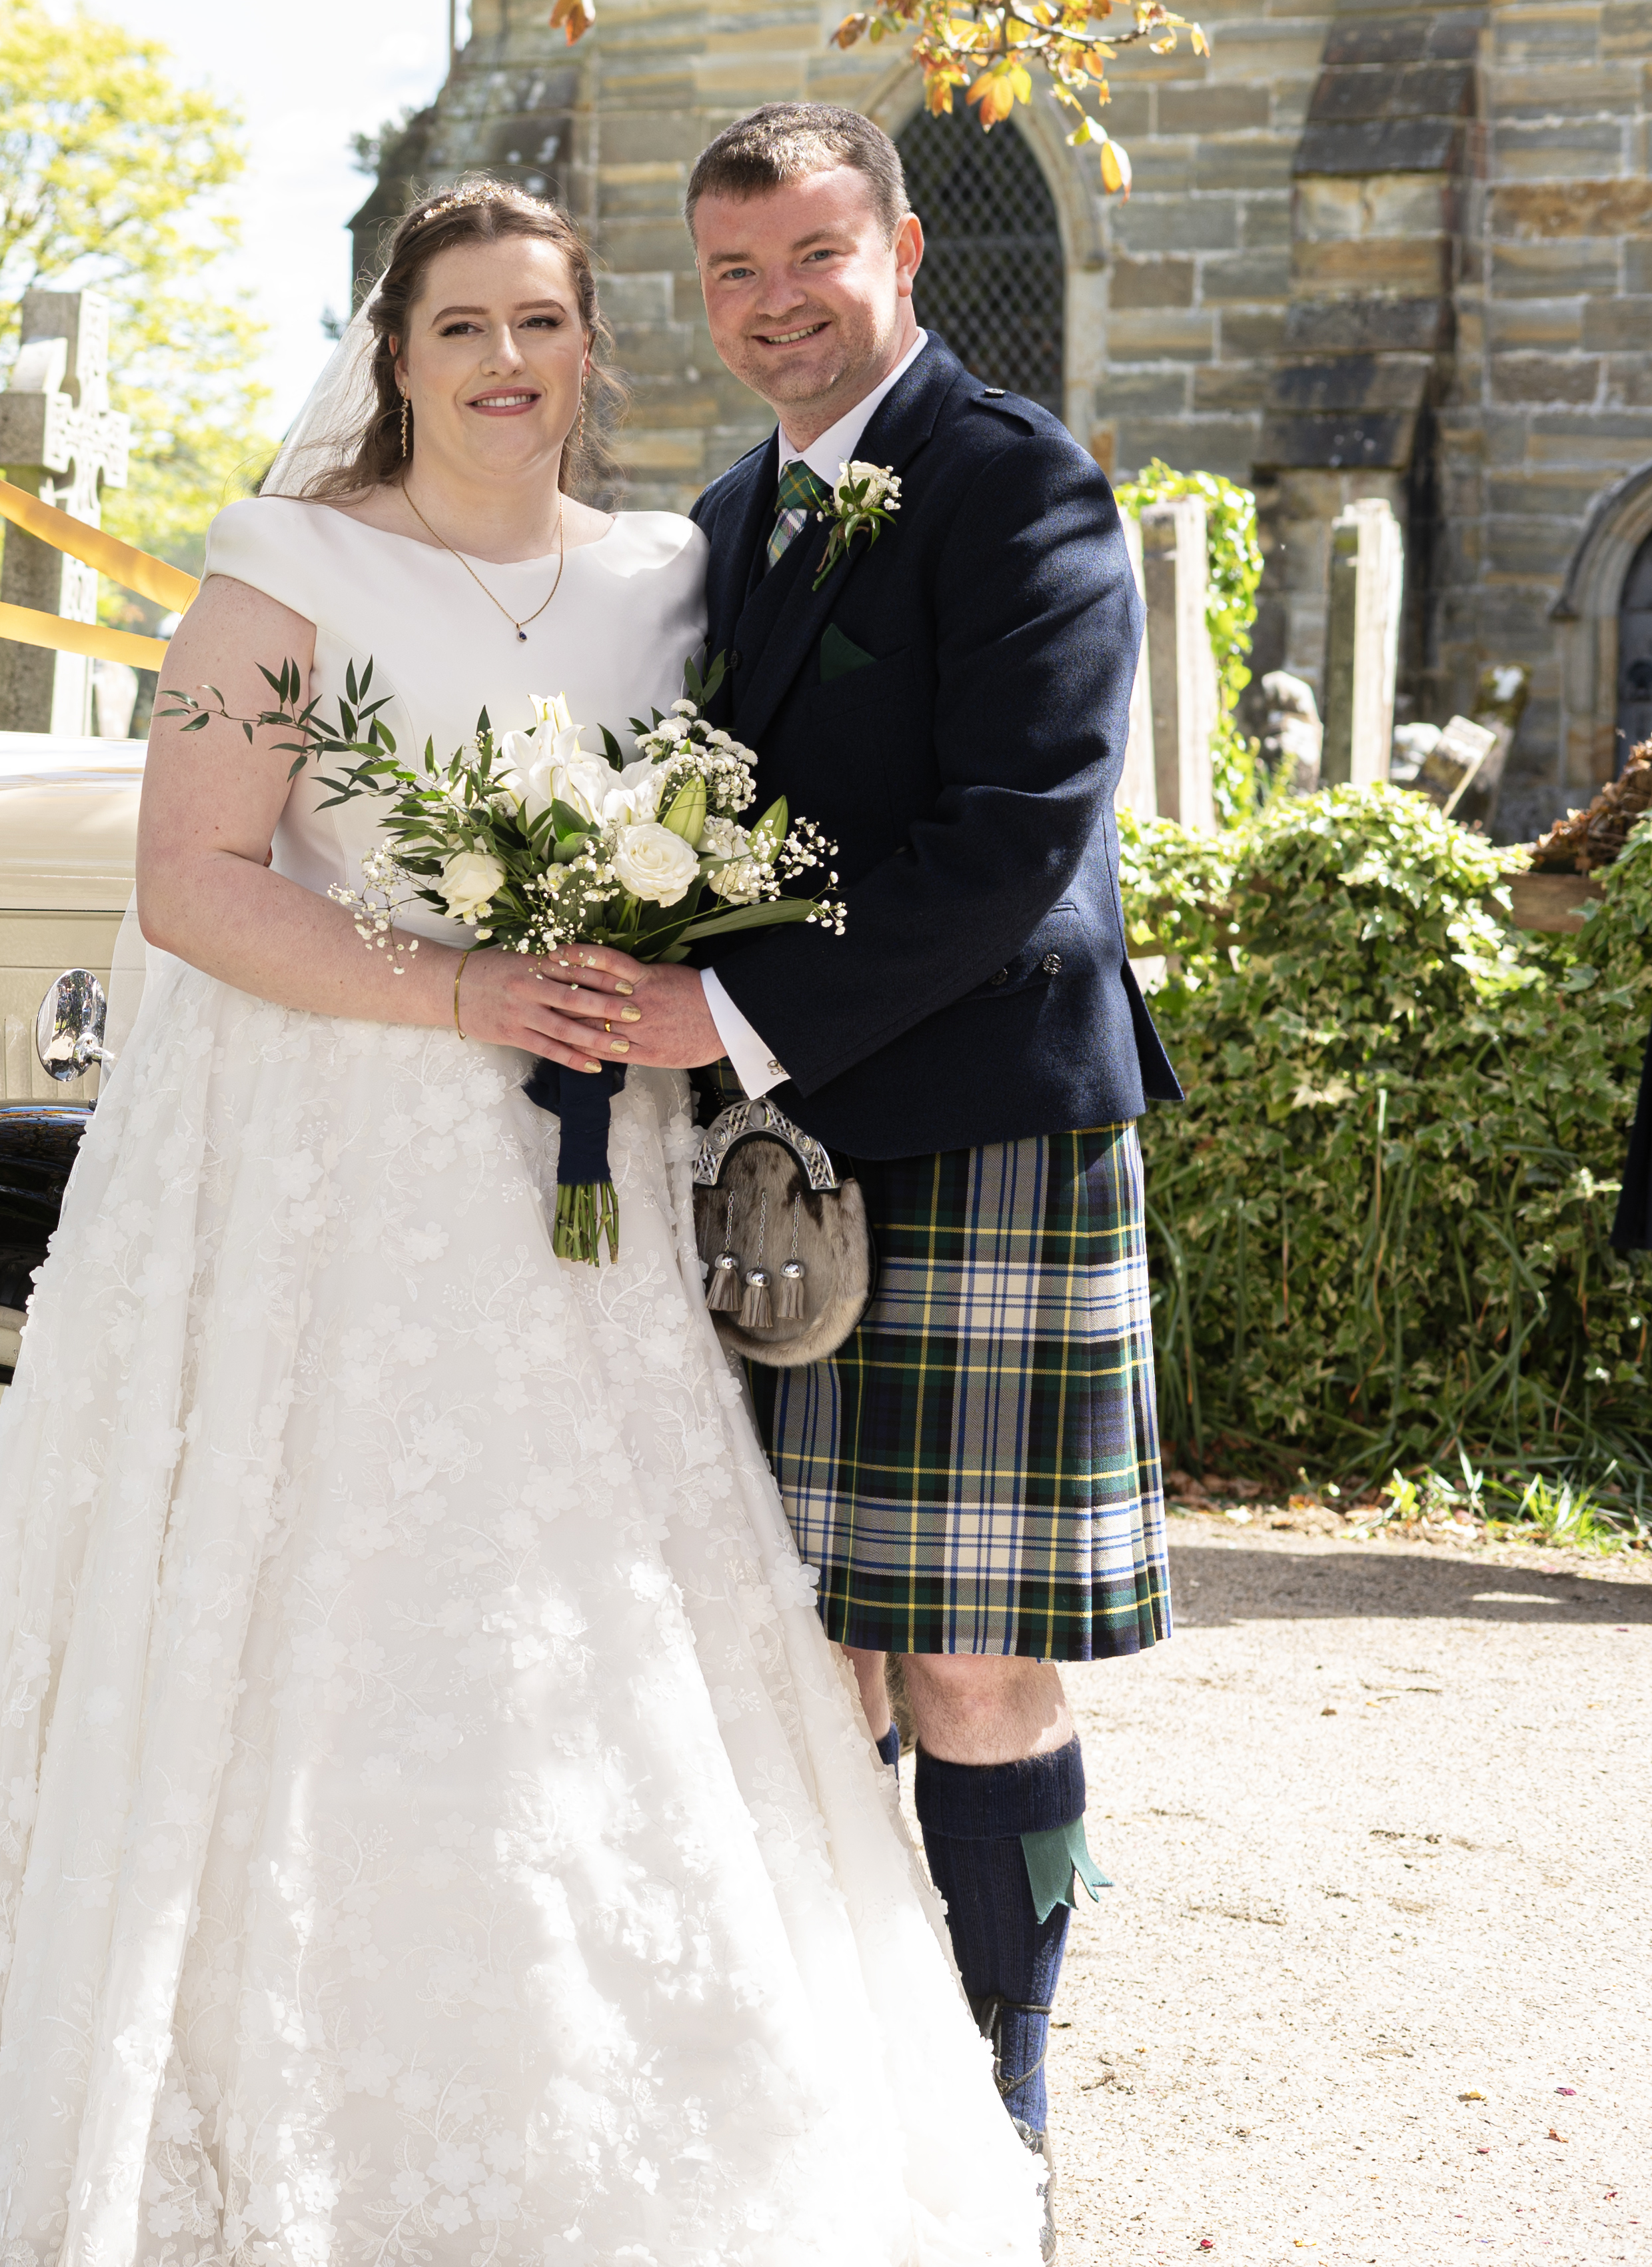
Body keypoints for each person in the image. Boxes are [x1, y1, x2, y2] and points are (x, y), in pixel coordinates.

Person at [0, 176, 1042, 2266]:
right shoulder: (283, 570)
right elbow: (195, 883)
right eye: (464, 329)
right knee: (316, 1602)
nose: (510, 364)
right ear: (393, 358)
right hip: (343, 1174)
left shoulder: (670, 578)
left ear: (595, 348)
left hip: (591, 1187)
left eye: (545, 325)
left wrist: (619, 963)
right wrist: (465, 985)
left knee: (579, 1623)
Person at [622, 104, 1178, 2179]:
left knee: (966, 1650)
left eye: (816, 259)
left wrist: (730, 1011)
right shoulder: (724, 520)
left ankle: (998, 2070)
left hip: (980, 1131)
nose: (779, 308)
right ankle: (848, 2052)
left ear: (908, 251)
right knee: (806, 1645)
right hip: (778, 1152)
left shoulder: (1016, 477)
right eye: (737, 273)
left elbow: (1018, 833)